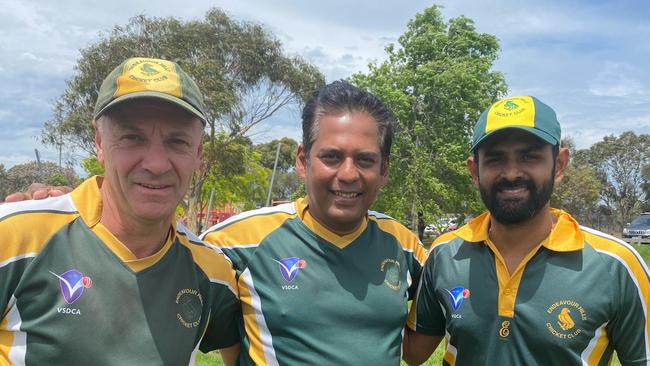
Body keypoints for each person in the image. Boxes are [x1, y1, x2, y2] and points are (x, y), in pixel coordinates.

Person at [0, 57, 241, 365]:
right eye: (132, 138)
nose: (155, 164)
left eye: (177, 141)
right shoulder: (14, 239)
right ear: (99, 142)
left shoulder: (213, 273)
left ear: (197, 154)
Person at [403, 96, 650, 365]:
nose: (511, 173)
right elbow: (412, 353)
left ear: (559, 165)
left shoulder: (616, 265)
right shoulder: (445, 254)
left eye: (529, 156)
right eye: (495, 158)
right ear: (474, 171)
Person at [200, 80, 428, 365]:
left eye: (365, 160)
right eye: (331, 157)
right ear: (302, 160)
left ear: (384, 170)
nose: (347, 174)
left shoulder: (405, 247)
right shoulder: (234, 244)